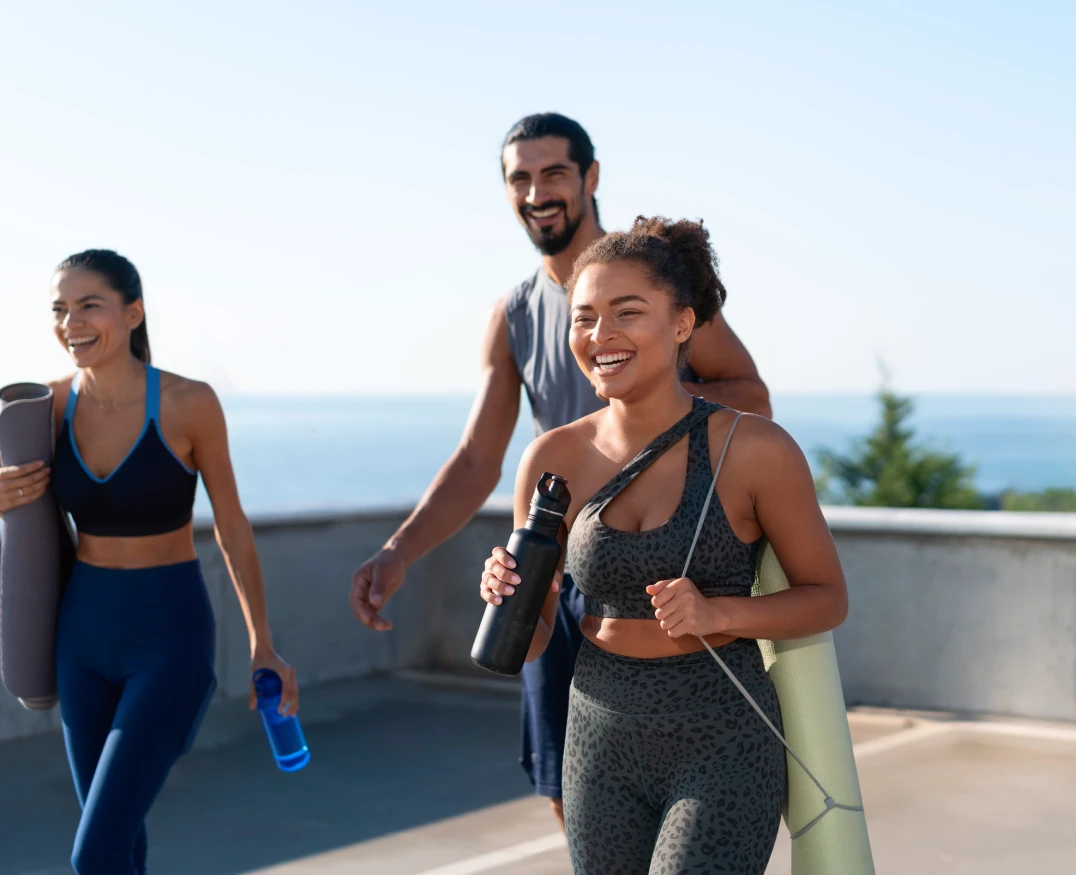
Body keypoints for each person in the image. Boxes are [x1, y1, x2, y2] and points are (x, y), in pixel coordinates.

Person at [349, 113, 771, 831]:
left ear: (590, 178)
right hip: (560, 575)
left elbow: (751, 398)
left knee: (688, 800)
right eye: (520, 177)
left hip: (663, 569)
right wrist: (400, 549)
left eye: (553, 173)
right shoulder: (513, 313)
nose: (537, 191)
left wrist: (638, 422)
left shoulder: (650, 282)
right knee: (568, 794)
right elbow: (479, 456)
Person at [479, 216, 849, 874]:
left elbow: (826, 598)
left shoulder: (753, 448)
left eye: (627, 312)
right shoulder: (552, 457)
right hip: (598, 737)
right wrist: (506, 595)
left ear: (681, 323)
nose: (601, 336)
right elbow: (535, 639)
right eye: (584, 317)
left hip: (722, 737)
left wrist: (719, 613)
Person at [0, 250, 298, 875]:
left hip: (168, 637)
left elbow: (233, 528)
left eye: (89, 305)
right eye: (59, 309)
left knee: (95, 853)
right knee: (120, 845)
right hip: (80, 637)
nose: (70, 322)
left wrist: (262, 642)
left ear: (132, 312)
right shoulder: (44, 409)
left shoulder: (190, 403)